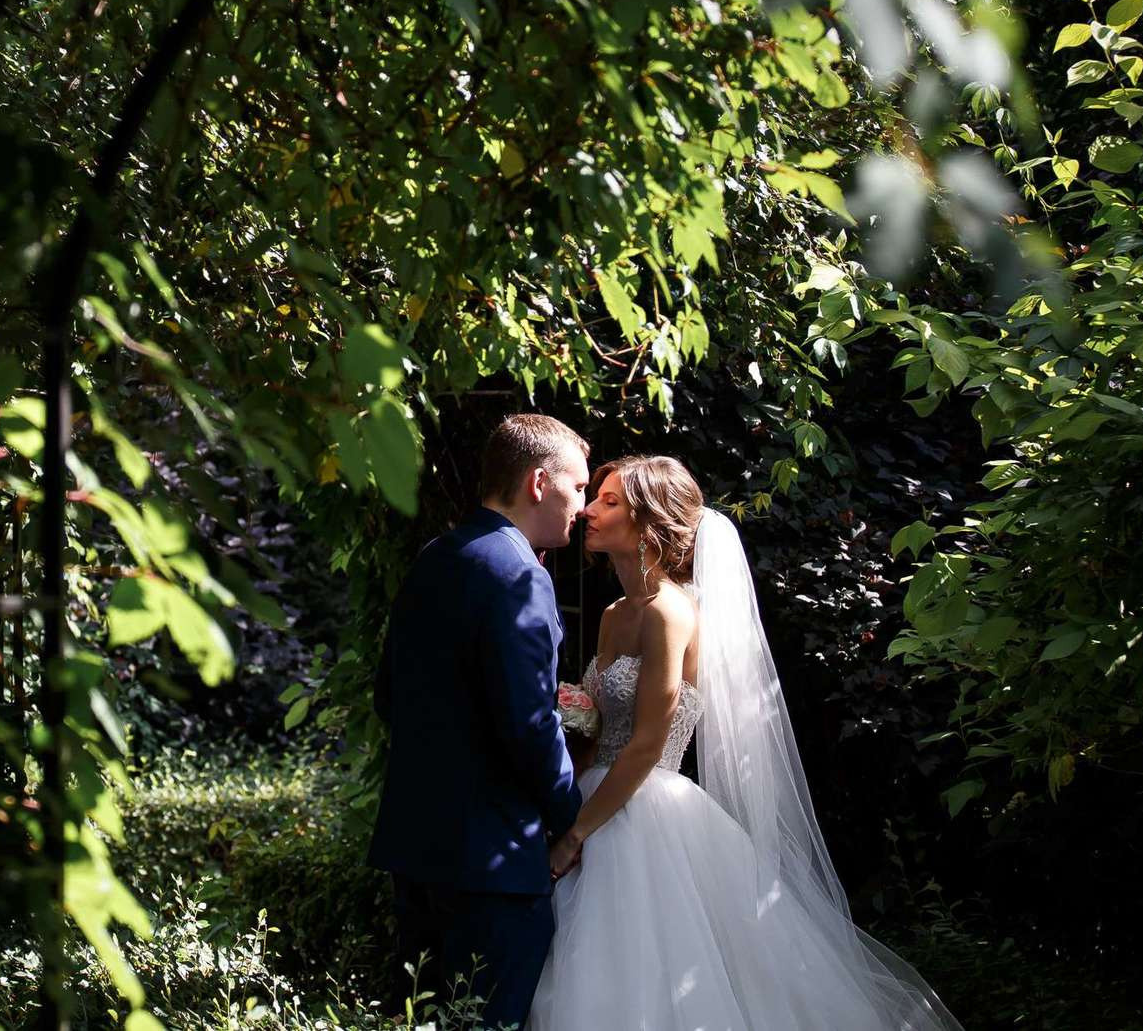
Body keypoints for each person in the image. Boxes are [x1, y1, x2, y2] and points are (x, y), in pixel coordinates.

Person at [528, 455, 965, 1030]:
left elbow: (646, 746)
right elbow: (599, 722)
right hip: (593, 796)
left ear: (650, 521)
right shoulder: (613, 615)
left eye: (610, 502)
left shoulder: (670, 613)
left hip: (643, 808)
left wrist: (576, 833)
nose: (588, 510)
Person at [368, 413, 589, 1027]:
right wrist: (573, 818)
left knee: (428, 1018)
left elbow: (388, 694)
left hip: (417, 848)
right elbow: (528, 723)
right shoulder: (520, 573)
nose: (583, 505)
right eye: (577, 488)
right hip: (492, 861)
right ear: (540, 483)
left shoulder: (437, 556)